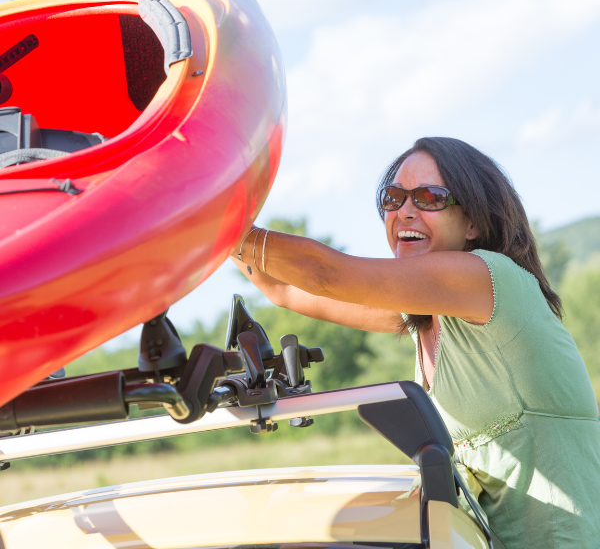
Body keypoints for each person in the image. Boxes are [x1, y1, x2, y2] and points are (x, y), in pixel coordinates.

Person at [230, 137, 600, 549]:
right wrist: (212, 226)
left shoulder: (487, 279)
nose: (405, 210)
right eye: (393, 198)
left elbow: (324, 273)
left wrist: (222, 226)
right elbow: (287, 291)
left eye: (428, 197)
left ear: (473, 223)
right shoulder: (427, 317)